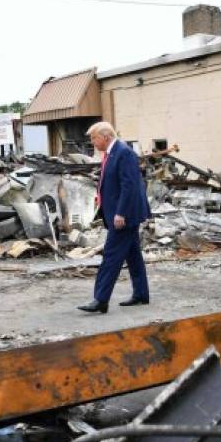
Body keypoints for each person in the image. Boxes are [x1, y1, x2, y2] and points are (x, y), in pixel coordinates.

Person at [78, 122, 151, 314]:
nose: (93, 142)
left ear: (106, 137)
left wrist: (121, 213)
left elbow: (129, 186)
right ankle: (141, 294)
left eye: (94, 138)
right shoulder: (112, 153)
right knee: (133, 255)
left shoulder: (123, 152)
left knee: (110, 256)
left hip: (124, 216)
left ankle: (100, 299)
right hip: (120, 213)